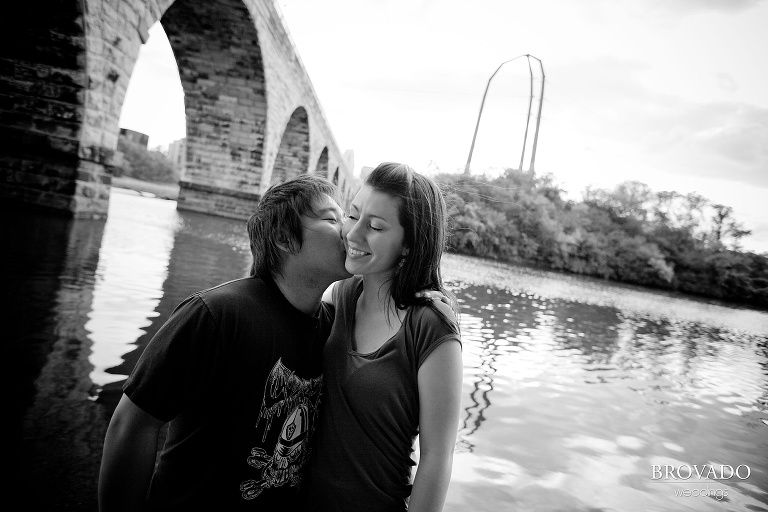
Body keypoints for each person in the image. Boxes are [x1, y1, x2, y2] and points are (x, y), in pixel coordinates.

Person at [98, 174, 352, 511]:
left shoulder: (336, 329)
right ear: (283, 237)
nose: (348, 229)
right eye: (332, 219)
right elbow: (134, 422)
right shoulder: (218, 315)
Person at [309, 163, 463, 512]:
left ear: (409, 245)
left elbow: (438, 456)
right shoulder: (340, 295)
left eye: (375, 226)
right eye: (353, 215)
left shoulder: (431, 326)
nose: (353, 233)